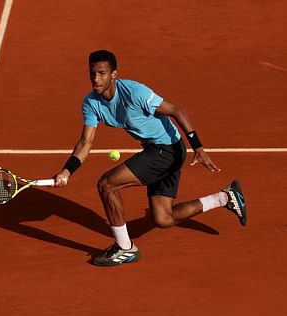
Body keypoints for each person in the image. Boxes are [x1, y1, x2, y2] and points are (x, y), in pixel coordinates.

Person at [53, 50, 247, 266]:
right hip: (158, 150)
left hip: (168, 150)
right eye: (92, 73)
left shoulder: (135, 91)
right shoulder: (91, 103)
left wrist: (198, 147)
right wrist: (67, 170)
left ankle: (125, 247)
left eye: (102, 73)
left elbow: (175, 110)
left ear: (114, 74)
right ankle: (225, 197)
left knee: (107, 184)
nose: (96, 79)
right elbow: (85, 142)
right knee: (164, 219)